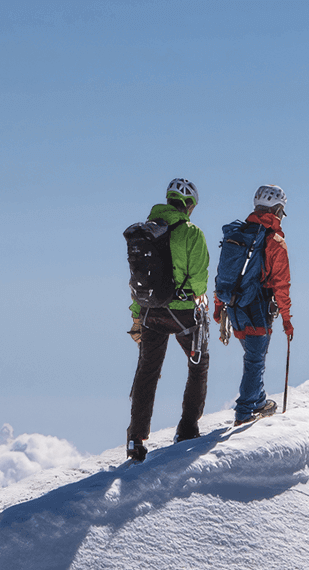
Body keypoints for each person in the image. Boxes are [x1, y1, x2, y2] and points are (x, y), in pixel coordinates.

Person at [125, 179, 210, 463]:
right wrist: (196, 298)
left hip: (150, 312)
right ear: (189, 204)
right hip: (184, 312)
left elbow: (137, 280)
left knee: (147, 371)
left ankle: (135, 439)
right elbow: (199, 280)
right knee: (198, 365)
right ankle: (187, 428)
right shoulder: (191, 233)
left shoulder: (146, 232)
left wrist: (137, 314)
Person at [214, 184, 292, 426]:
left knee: (253, 355)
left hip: (234, 306)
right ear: (278, 210)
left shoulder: (238, 235)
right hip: (257, 306)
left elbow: (223, 274)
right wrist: (287, 320)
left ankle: (258, 400)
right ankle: (246, 410)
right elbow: (281, 285)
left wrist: (218, 306)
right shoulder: (274, 241)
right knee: (255, 360)